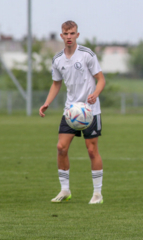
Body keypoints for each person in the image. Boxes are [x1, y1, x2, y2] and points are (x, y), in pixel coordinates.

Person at [39, 20, 106, 204]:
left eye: (72, 33)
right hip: (70, 111)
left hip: (90, 111)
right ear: (61, 35)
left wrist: (95, 94)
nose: (69, 37)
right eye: (66, 34)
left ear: (77, 35)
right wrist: (47, 103)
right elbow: (56, 84)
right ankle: (65, 190)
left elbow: (101, 79)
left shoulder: (87, 55)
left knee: (92, 151)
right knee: (61, 148)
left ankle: (97, 194)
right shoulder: (58, 59)